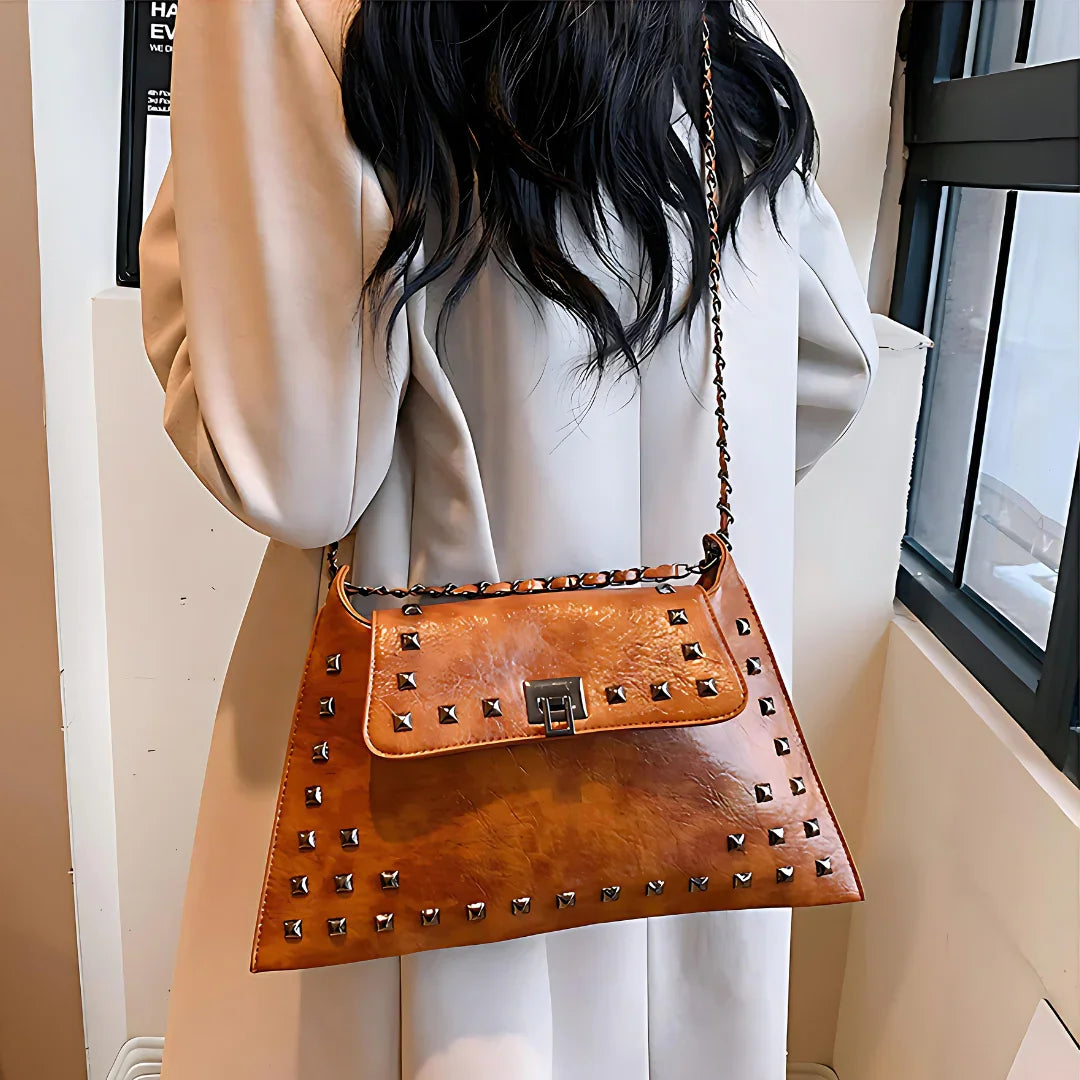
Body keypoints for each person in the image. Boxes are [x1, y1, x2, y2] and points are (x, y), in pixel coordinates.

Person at [139, 2, 876, 1077]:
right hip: (691, 775)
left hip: (424, 794)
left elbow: (294, 470)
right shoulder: (714, 26)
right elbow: (829, 362)